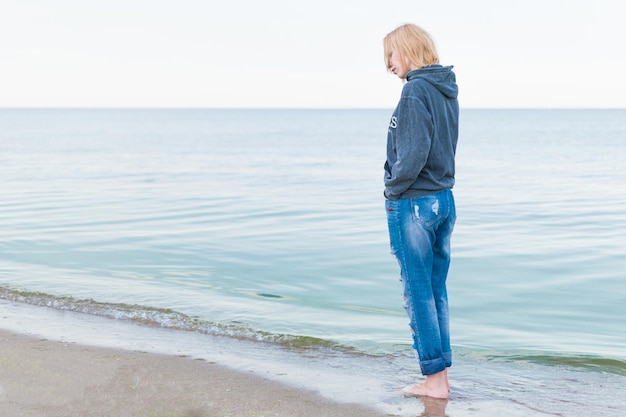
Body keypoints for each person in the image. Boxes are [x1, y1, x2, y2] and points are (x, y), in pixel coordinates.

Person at [383, 23, 459, 399]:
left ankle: (434, 381)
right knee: (435, 291)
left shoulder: (415, 91)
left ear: (407, 50)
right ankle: (439, 378)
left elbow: (412, 154)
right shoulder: (445, 91)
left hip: (415, 202)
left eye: (390, 56)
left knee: (418, 292)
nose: (388, 65)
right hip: (443, 200)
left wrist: (391, 190)